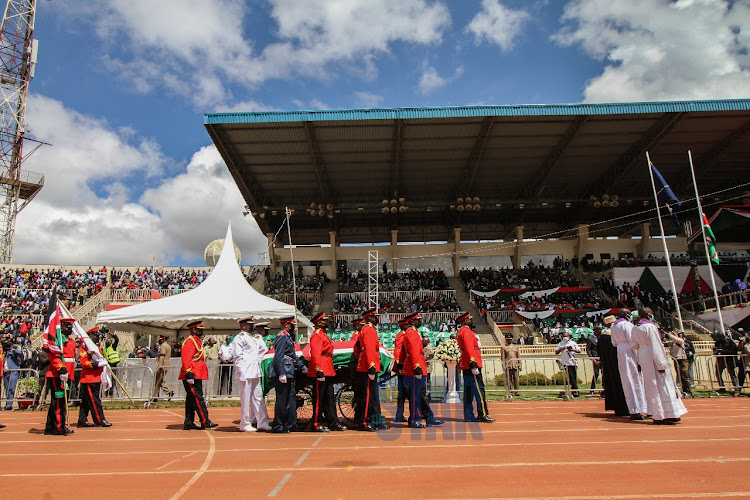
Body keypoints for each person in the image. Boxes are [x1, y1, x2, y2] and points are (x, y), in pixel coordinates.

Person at [631, 308, 687, 425]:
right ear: (648, 314)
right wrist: (660, 363)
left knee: (651, 386)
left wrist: (640, 360)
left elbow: (634, 345)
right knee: (662, 385)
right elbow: (655, 346)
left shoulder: (635, 328)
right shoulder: (650, 327)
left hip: (643, 354)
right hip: (653, 356)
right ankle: (664, 414)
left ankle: (662, 413)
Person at [399, 312, 442, 428]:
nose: (420, 321)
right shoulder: (412, 333)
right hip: (414, 369)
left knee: (421, 395)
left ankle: (428, 417)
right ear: (413, 321)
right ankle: (414, 420)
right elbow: (413, 352)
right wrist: (416, 367)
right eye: (418, 320)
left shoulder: (412, 332)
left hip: (415, 367)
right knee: (415, 396)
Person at [308, 312, 346, 432]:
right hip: (322, 368)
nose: (326, 322)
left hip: (327, 367)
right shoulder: (317, 335)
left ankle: (332, 421)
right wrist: (319, 370)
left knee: (329, 397)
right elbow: (315, 354)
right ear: (319, 323)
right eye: (324, 321)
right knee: (319, 398)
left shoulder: (323, 334)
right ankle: (316, 422)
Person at [232, 317, 271, 432]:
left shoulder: (253, 338)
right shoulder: (240, 338)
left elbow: (261, 351)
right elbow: (237, 356)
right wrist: (241, 372)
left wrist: (258, 361)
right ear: (243, 326)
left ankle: (262, 421)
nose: (252, 326)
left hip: (255, 371)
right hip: (246, 372)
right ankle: (244, 423)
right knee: (245, 399)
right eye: (250, 324)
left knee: (258, 397)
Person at [179, 321, 217, 430]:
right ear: (193, 330)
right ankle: (205, 421)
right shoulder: (190, 342)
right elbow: (186, 358)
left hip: (197, 373)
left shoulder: (197, 341)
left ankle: (189, 422)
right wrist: (188, 372)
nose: (201, 331)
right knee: (198, 398)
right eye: (199, 329)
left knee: (192, 399)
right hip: (192, 374)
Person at [610, 310, 647, 419]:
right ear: (624, 315)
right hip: (630, 351)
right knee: (634, 379)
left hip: (620, 351)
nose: (630, 316)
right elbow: (633, 341)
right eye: (628, 314)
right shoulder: (627, 325)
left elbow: (614, 343)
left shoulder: (614, 326)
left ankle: (633, 409)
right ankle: (638, 409)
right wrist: (639, 359)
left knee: (626, 379)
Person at [457, 312, 494, 423]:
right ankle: (482, 413)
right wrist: (473, 364)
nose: (471, 321)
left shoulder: (462, 331)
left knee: (468, 392)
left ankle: (468, 415)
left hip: (467, 364)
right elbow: (469, 348)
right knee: (479, 390)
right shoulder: (467, 332)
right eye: (469, 319)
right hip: (472, 364)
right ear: (465, 321)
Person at [43, 317, 77, 435]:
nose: (69, 328)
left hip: (68, 374)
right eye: (67, 326)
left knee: (60, 401)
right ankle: (58, 426)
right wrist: (60, 368)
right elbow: (52, 355)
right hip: (58, 373)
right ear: (60, 327)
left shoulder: (70, 341)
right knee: (58, 401)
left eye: (70, 326)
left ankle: (50, 426)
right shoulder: (57, 341)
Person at [352, 308, 383, 431]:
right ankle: (364, 422)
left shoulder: (366, 329)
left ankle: (374, 421)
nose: (377, 319)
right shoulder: (369, 330)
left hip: (366, 365)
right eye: (375, 317)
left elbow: (358, 349)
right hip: (369, 367)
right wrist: (371, 367)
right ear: (370, 318)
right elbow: (369, 349)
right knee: (368, 396)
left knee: (371, 396)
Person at [77, 327, 111, 428]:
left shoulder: (96, 348)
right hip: (89, 378)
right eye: (95, 335)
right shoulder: (84, 349)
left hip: (96, 377)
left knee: (86, 402)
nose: (97, 337)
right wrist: (96, 365)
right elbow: (84, 363)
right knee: (94, 400)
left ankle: (82, 420)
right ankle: (100, 420)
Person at [270, 316, 298, 433]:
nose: (293, 327)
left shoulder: (286, 336)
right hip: (283, 372)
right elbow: (279, 355)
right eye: (291, 325)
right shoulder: (282, 336)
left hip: (289, 371)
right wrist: (281, 373)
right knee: (282, 400)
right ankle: (278, 425)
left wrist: (301, 365)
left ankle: (291, 423)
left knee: (290, 399)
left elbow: (292, 355)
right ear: (286, 325)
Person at [598, 316, 629, 417]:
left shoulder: (602, 337)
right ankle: (625, 407)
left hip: (607, 365)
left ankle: (616, 407)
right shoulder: (616, 334)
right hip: (619, 362)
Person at [392, 317, 410, 423]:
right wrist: (399, 364)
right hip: (403, 367)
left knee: (404, 393)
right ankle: (400, 414)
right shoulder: (402, 335)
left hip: (403, 366)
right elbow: (398, 350)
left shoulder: (403, 334)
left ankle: (400, 414)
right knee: (404, 392)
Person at [665, 330, 692, 398]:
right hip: (676, 359)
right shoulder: (673, 342)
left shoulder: (680, 340)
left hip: (682, 359)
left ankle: (688, 391)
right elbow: (667, 343)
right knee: (679, 375)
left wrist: (670, 335)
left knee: (684, 375)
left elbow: (676, 339)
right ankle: (683, 391)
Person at [555, 328, 581, 397]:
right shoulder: (561, 343)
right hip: (566, 362)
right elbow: (556, 352)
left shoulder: (573, 343)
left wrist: (572, 349)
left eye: (566, 336)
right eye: (564, 336)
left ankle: (574, 390)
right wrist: (562, 348)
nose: (565, 338)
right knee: (571, 376)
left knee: (574, 377)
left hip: (573, 362)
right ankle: (575, 390)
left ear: (569, 336)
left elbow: (579, 350)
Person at [152, 335, 174, 401]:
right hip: (166, 365)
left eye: (160, 338)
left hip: (163, 365)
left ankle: (155, 397)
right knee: (161, 381)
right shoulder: (168, 345)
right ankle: (169, 392)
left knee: (157, 381)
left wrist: (159, 366)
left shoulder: (163, 346)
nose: (159, 340)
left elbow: (162, 356)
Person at [102, 329, 120, 397]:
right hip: (107, 365)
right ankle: (106, 393)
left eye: (109, 340)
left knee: (112, 379)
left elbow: (117, 340)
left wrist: (111, 334)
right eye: (106, 340)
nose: (107, 341)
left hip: (113, 364)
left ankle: (111, 393)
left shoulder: (113, 346)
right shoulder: (103, 348)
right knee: (106, 379)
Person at [586, 328, 601, 395]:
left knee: (604, 374)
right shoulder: (590, 338)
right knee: (596, 374)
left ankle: (603, 389)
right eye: (599, 332)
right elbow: (588, 349)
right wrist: (592, 358)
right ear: (595, 331)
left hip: (602, 357)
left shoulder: (601, 337)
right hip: (595, 357)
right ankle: (592, 389)